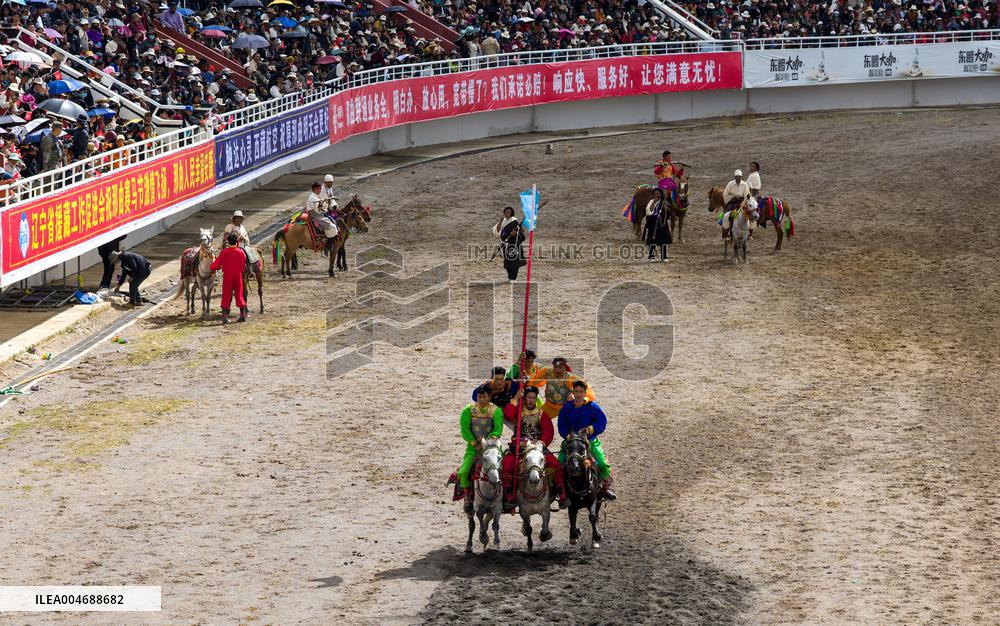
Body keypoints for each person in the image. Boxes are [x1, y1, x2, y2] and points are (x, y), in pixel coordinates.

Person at [500, 385, 567, 511]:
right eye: (528, 397)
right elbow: (508, 414)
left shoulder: (541, 413)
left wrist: (541, 442)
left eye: (533, 398)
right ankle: (509, 496)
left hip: (537, 447)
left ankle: (561, 494)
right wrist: (515, 398)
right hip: (519, 447)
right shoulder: (518, 411)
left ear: (536, 399)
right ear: (524, 398)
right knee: (506, 466)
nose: (531, 400)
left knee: (556, 465)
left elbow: (549, 432)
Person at [558, 380, 616, 500]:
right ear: (573, 392)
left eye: (581, 392)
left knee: (602, 463)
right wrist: (567, 435)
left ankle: (605, 488)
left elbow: (602, 421)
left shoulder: (592, 407)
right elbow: (561, 425)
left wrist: (592, 428)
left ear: (585, 393)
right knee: (560, 463)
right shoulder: (566, 408)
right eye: (576, 392)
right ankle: (560, 490)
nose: (578, 394)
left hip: (589, 441)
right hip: (571, 442)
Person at [451, 384, 504, 511]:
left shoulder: (496, 411)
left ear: (489, 397)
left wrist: (489, 440)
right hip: (473, 448)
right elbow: (465, 429)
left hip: (492, 447)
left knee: (505, 469)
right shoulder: (468, 411)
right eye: (479, 397)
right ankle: (468, 497)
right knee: (463, 471)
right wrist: (474, 442)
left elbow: (498, 429)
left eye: (484, 397)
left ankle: (505, 496)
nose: (481, 400)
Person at [529, 357, 595, 420]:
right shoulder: (547, 372)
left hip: (567, 407)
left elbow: (587, 388)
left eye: (560, 367)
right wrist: (527, 383)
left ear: (565, 367)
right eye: (555, 367)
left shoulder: (569, 377)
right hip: (549, 406)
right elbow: (534, 380)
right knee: (536, 420)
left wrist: (584, 399)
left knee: (575, 425)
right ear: (553, 366)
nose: (557, 370)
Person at [210, 233, 248, 324]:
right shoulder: (241, 252)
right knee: (239, 294)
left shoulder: (224, 252)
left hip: (227, 276)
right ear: (237, 242)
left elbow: (217, 264)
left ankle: (225, 317)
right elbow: (243, 264)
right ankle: (242, 315)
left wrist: (211, 267)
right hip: (238, 275)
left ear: (228, 242)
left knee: (226, 295)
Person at [305, 181, 339, 253]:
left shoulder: (316, 196)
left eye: (320, 188)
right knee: (332, 227)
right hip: (316, 215)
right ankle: (328, 246)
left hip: (319, 213)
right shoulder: (312, 197)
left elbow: (322, 207)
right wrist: (322, 202)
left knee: (333, 221)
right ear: (316, 189)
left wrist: (324, 201)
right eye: (319, 189)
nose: (320, 190)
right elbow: (318, 210)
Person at [495, 207, 526, 282]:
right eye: (506, 212)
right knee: (508, 262)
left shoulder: (515, 221)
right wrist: (500, 221)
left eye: (509, 212)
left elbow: (522, 231)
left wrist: (515, 234)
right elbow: (498, 231)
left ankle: (513, 278)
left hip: (515, 244)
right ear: (504, 213)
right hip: (506, 244)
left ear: (511, 213)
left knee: (515, 262)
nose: (507, 213)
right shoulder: (503, 221)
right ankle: (510, 277)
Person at [643, 190, 672, 262]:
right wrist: (654, 203)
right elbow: (648, 212)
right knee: (651, 241)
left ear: (660, 195)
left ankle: (664, 257)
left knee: (663, 241)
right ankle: (651, 256)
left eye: (657, 193)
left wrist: (666, 208)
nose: (656, 195)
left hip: (662, 224)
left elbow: (668, 213)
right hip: (652, 223)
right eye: (655, 193)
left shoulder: (664, 202)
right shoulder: (651, 202)